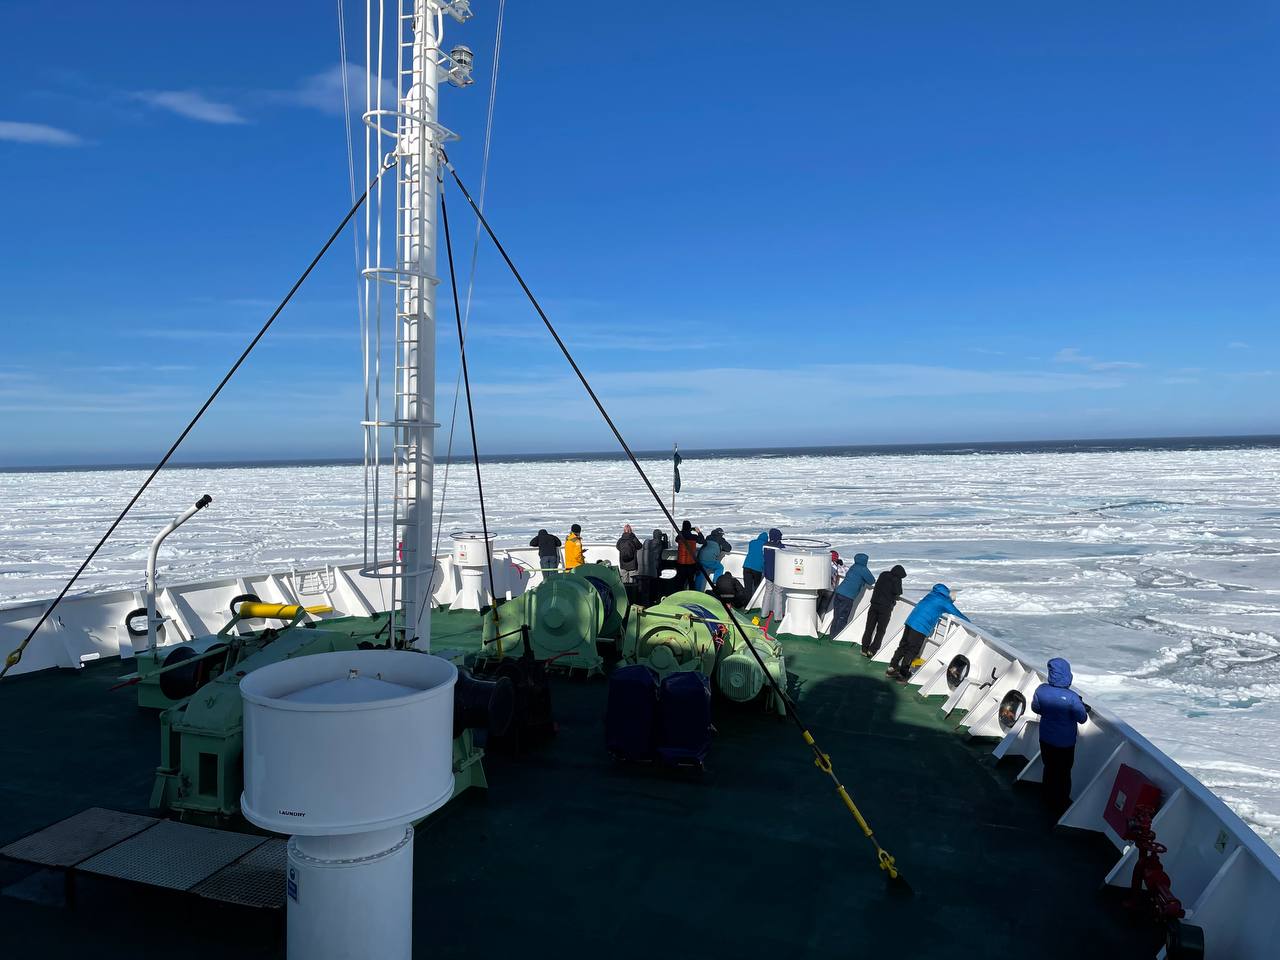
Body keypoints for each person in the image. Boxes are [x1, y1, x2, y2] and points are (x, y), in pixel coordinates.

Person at [1031, 658, 1089, 814]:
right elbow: (1082, 718)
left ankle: (1047, 797)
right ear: (1068, 675)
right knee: (1063, 773)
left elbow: (1036, 708)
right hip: (1065, 743)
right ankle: (1060, 804)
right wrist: (1080, 706)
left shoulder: (1041, 690)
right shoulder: (1072, 697)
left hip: (1045, 738)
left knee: (1049, 767)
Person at [886, 583, 968, 682]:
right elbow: (957, 613)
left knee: (903, 645)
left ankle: (892, 668)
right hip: (920, 627)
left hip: (910, 621)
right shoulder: (944, 601)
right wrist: (970, 623)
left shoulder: (932, 594)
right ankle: (903, 674)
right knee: (912, 650)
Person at [861, 564, 906, 657]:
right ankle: (872, 650)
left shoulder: (883, 574)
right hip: (885, 608)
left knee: (869, 627)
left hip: (874, 604)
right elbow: (898, 592)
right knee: (880, 630)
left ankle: (864, 648)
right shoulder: (897, 579)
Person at [829, 552, 874, 639]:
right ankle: (836, 637)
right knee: (842, 617)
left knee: (837, 615)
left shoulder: (853, 566)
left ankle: (832, 634)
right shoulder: (863, 569)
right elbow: (872, 581)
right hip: (848, 596)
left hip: (839, 592)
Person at [636, 528, 668, 605]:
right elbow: (666, 546)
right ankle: (654, 599)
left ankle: (645, 600)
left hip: (644, 570)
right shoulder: (660, 544)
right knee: (654, 584)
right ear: (660, 536)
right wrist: (665, 537)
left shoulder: (647, 545)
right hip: (655, 567)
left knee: (646, 586)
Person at [674, 520, 704, 592]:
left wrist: (684, 531)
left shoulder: (680, 536)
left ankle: (679, 595)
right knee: (691, 582)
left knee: (680, 583)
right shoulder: (694, 537)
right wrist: (698, 532)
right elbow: (702, 541)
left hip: (681, 563)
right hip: (691, 563)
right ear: (690, 527)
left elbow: (676, 539)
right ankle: (691, 595)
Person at [742, 530, 768, 598]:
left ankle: (746, 602)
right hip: (757, 569)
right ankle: (754, 601)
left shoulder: (752, 542)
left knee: (747, 588)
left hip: (746, 566)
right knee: (756, 587)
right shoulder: (766, 545)